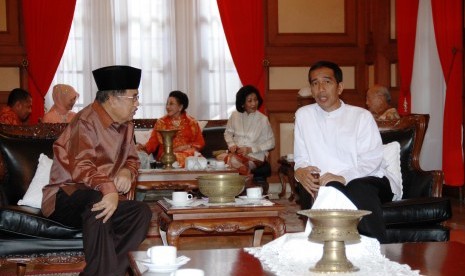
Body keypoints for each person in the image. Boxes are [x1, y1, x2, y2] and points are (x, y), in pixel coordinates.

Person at [41, 65, 152, 276]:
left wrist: (127, 172)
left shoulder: (126, 124)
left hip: (100, 196)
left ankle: (101, 273)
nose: (137, 104)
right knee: (97, 201)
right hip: (65, 197)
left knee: (141, 212)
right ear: (112, 98)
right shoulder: (85, 121)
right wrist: (109, 188)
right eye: (133, 98)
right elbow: (81, 167)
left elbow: (132, 159)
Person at [294, 61, 400, 243]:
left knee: (356, 187)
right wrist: (300, 172)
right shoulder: (304, 115)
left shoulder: (361, 116)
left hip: (369, 178)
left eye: (327, 82)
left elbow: (371, 160)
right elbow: (301, 158)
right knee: (331, 189)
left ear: (340, 87)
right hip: (329, 182)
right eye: (314, 83)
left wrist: (343, 176)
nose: (320, 89)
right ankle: (338, 253)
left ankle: (377, 251)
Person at [137, 90, 205, 168]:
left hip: (188, 153)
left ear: (180, 107)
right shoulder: (161, 122)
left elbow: (200, 143)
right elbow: (153, 143)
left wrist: (185, 147)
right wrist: (142, 149)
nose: (167, 107)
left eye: (171, 104)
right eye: (167, 104)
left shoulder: (192, 122)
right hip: (167, 155)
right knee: (180, 158)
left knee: (197, 158)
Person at [219, 85, 275, 176]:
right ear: (242, 103)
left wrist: (250, 149)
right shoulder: (234, 115)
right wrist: (232, 144)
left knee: (231, 161)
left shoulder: (263, 119)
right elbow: (228, 133)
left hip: (256, 156)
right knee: (220, 159)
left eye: (255, 100)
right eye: (249, 101)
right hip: (237, 154)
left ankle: (246, 179)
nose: (254, 104)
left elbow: (271, 143)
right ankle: (245, 179)